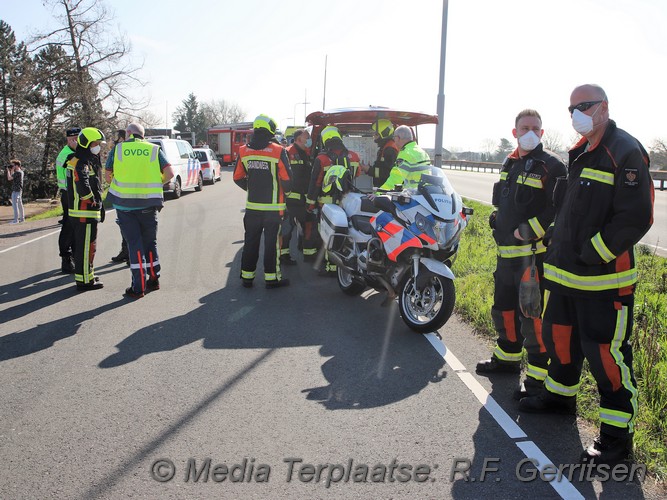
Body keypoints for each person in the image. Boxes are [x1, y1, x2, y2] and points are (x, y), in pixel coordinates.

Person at [519, 84, 655, 465]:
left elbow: (636, 216)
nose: (576, 113)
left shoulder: (625, 150)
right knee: (558, 340)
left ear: (604, 108)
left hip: (602, 283)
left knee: (606, 358)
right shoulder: (579, 152)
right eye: (571, 108)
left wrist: (594, 253)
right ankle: (560, 398)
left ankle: (615, 439)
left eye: (584, 106)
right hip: (564, 279)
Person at [475, 109, 567, 401]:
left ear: (542, 132)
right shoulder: (509, 161)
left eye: (536, 128)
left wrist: (531, 229)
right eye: (525, 127)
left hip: (532, 257)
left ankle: (537, 378)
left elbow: (559, 210)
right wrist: (497, 219)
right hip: (505, 256)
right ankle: (507, 358)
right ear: (514, 132)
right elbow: (506, 199)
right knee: (504, 309)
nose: (531, 132)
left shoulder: (552, 166)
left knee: (532, 316)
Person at [106, 123, 173, 299]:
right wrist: (155, 183)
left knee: (134, 244)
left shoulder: (118, 149)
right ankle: (154, 279)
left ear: (128, 133)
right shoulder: (153, 149)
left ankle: (138, 286)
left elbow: (107, 176)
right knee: (150, 242)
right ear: (142, 135)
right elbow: (169, 173)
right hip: (148, 205)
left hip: (125, 207)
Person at [233, 114, 293, 289]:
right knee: (271, 244)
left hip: (252, 208)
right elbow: (287, 179)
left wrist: (251, 188)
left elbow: (237, 177)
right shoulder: (278, 150)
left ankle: (247, 277)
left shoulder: (243, 150)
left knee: (250, 241)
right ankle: (271, 278)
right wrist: (286, 194)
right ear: (270, 130)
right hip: (274, 208)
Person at [306, 125, 361, 276]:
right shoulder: (354, 156)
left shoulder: (321, 159)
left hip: (327, 203)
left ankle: (331, 267)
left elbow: (315, 183)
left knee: (328, 234)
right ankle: (343, 265)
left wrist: (310, 203)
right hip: (348, 202)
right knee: (346, 233)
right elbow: (357, 174)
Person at [66, 127, 106, 290]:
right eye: (96, 143)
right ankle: (84, 281)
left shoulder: (79, 160)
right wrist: (94, 201)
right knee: (85, 247)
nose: (98, 147)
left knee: (89, 246)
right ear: (87, 143)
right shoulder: (81, 163)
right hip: (84, 211)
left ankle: (87, 275)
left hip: (82, 211)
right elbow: (83, 186)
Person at [281, 128, 317, 263]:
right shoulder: (288, 152)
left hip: (305, 199)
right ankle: (284, 255)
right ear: (298, 139)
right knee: (288, 228)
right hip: (291, 199)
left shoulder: (307, 153)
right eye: (306, 136)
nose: (309, 139)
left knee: (309, 224)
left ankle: (308, 253)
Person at [55, 127, 80, 272]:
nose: (76, 142)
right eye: (73, 139)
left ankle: (75, 257)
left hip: (73, 194)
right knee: (69, 226)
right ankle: (66, 258)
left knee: (75, 225)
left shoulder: (72, 153)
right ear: (69, 140)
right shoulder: (68, 155)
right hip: (68, 194)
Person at [377, 125, 431, 191]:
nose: (394, 141)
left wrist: (379, 193)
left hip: (413, 195)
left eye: (394, 138)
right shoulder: (422, 152)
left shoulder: (405, 153)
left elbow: (396, 178)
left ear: (398, 138)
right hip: (424, 194)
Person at [106, 129, 130, 265]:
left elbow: (108, 171)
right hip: (138, 193)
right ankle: (127, 251)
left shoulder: (118, 150)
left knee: (125, 225)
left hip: (122, 193)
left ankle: (129, 252)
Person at [367, 119, 399, 188]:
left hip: (387, 189)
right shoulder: (386, 147)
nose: (374, 136)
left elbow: (387, 173)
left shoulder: (390, 150)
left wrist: (368, 170)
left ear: (384, 133)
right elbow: (382, 167)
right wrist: (370, 168)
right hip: (383, 187)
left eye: (376, 134)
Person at [7, 159, 24, 224]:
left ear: (17, 165)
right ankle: (22, 219)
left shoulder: (18, 173)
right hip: (19, 190)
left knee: (15, 205)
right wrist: (12, 170)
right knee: (20, 205)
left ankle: (15, 220)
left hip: (16, 191)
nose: (12, 166)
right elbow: (12, 176)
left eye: (13, 165)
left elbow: (9, 178)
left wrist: (8, 171)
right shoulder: (21, 172)